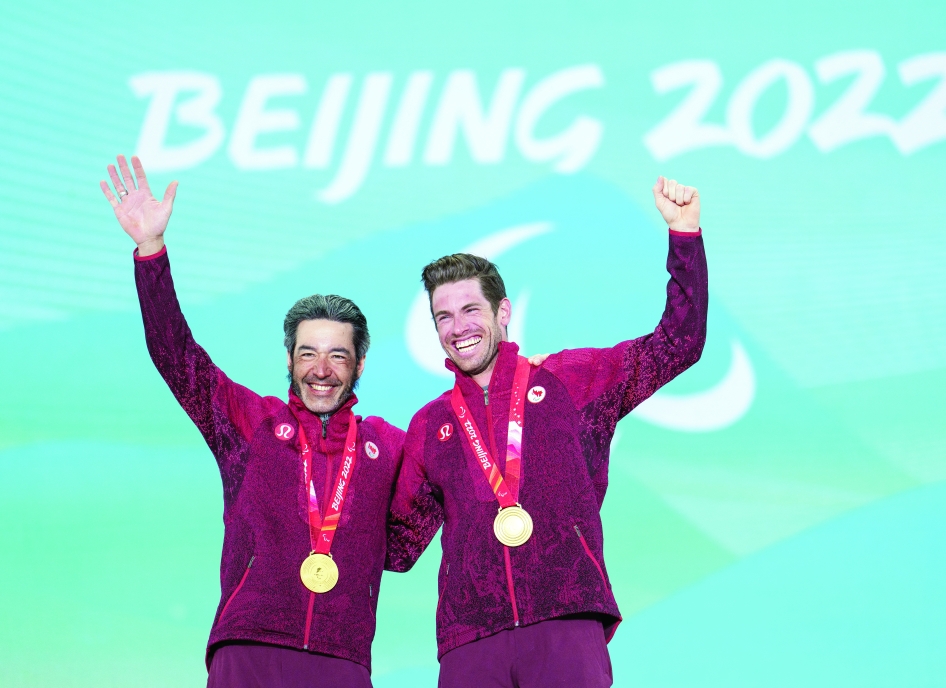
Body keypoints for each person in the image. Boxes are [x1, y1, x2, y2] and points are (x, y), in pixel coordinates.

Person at [386, 176, 709, 687]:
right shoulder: (431, 424)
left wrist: (684, 237)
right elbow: (397, 547)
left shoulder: (570, 381)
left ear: (503, 312)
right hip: (471, 639)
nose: (458, 327)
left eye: (470, 310)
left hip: (565, 617)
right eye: (443, 316)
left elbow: (677, 345)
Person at [100, 155, 404, 688]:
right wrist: (151, 250)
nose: (321, 370)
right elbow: (177, 357)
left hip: (342, 657)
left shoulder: (389, 445)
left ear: (359, 364)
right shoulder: (250, 423)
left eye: (337, 355)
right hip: (248, 649)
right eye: (308, 353)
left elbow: (408, 539)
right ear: (289, 360)